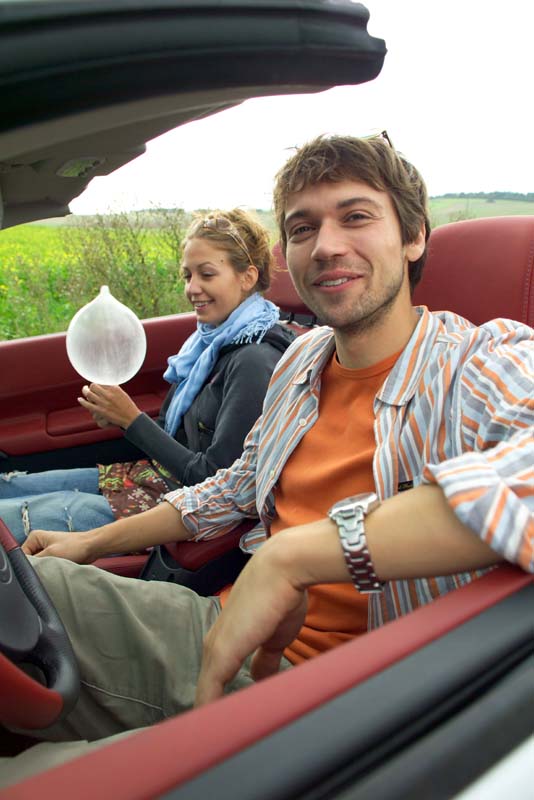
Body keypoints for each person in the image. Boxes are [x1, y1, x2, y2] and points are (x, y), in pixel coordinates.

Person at [2, 134, 533, 787]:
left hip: (350, 692)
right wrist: (91, 542)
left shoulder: (480, 362)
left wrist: (297, 555)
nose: (327, 245)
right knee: (27, 588)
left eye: (355, 216)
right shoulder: (301, 361)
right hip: (223, 624)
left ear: (414, 236)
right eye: (303, 228)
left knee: (33, 778)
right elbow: (231, 486)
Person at [0, 208, 294, 543]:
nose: (193, 288)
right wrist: (120, 420)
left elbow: (216, 485)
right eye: (187, 276)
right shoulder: (206, 345)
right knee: (9, 486)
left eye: (207, 274)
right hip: (146, 477)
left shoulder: (254, 360)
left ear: (247, 277)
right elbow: (177, 437)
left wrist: (132, 420)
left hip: (172, 508)